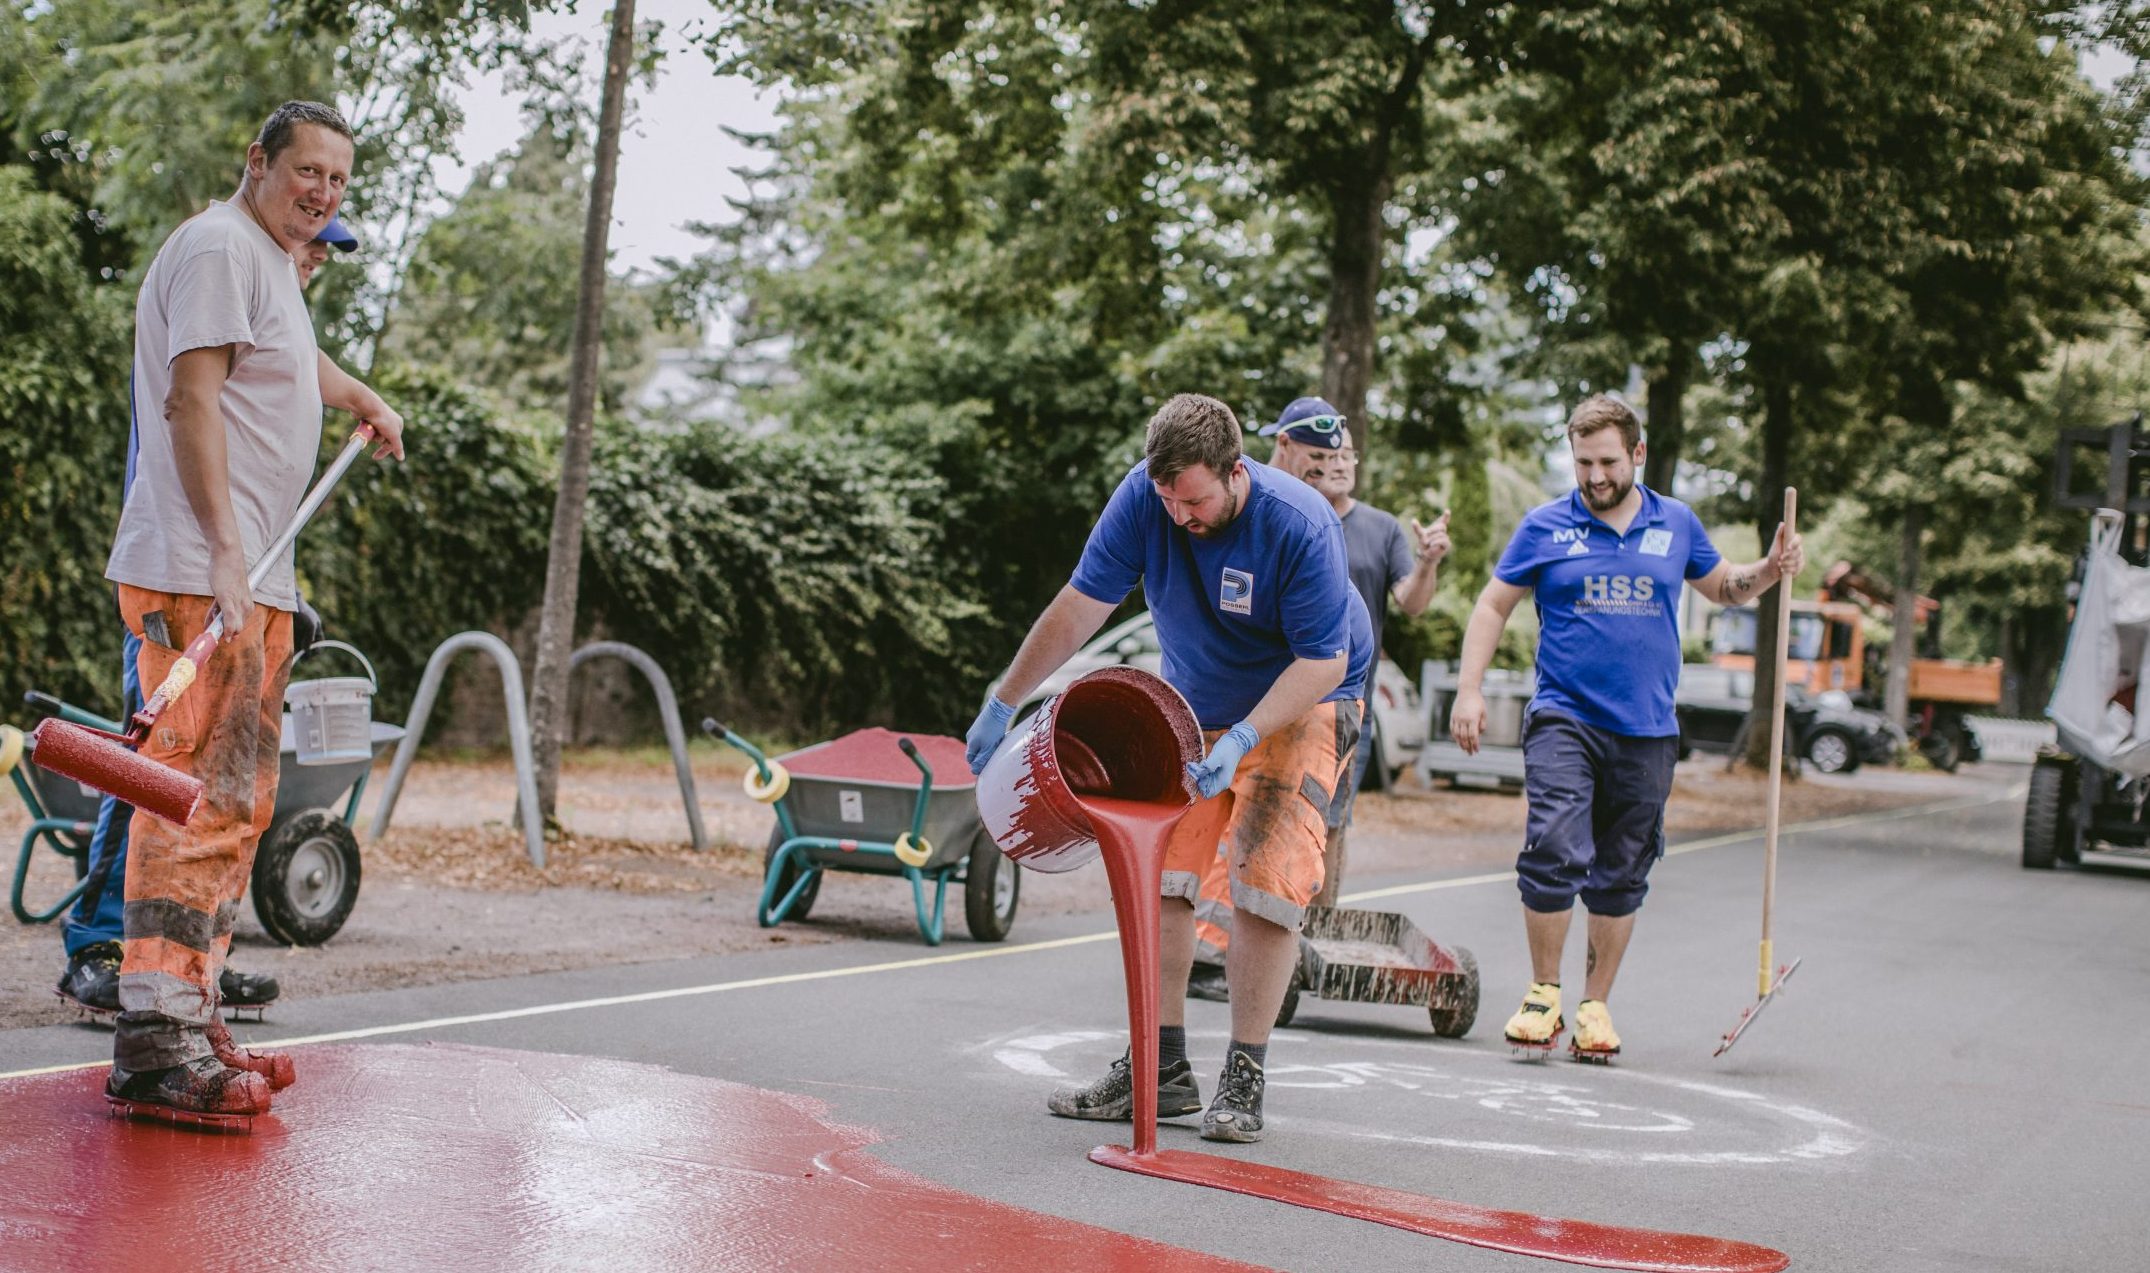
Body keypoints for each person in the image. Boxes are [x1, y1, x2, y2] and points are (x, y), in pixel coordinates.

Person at [100, 101, 405, 1122]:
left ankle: (187, 1004)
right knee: (190, 790)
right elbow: (193, 399)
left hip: (247, 576)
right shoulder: (222, 246)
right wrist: (229, 557)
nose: (322, 193)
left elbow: (284, 368)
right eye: (306, 171)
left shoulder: (270, 263)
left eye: (338, 181)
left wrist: (357, 393)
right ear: (259, 162)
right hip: (203, 569)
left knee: (234, 800)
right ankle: (153, 1038)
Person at [966, 392, 1372, 1143]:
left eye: (1193, 500)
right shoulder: (1147, 497)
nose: (1179, 517)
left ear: (1235, 471)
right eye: (1166, 498)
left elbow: (1325, 659)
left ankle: (1243, 1075)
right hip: (1198, 697)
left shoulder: (1300, 521)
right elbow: (1081, 604)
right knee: (1164, 873)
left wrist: (1246, 735)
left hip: (1305, 694)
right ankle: (1160, 1067)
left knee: (1265, 877)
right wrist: (1005, 697)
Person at [57, 215, 358, 1018]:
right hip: (187, 573)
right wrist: (222, 555)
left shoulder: (275, 313)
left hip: (240, 578)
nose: (321, 256)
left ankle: (191, 970)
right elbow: (189, 415)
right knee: (162, 765)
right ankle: (101, 943)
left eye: (331, 246)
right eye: (316, 241)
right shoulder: (221, 276)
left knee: (212, 785)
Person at [1450, 395, 1801, 1061]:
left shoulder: (1677, 523)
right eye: (1582, 462)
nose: (1594, 475)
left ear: (1638, 454)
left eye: (1608, 460)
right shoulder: (1546, 526)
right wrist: (1469, 689)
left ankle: (1594, 1006)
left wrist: (1770, 570)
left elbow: (1726, 586)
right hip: (1565, 716)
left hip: (1647, 727)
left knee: (1621, 871)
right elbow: (1494, 603)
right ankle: (1543, 993)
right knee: (1554, 846)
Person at [1183, 399, 1450, 1001]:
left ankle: (1299, 950)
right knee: (1238, 825)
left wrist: (1429, 561)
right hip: (1257, 699)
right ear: (1284, 449)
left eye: (1342, 456)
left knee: (1326, 827)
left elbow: (1410, 601)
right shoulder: (1262, 513)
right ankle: (1215, 950)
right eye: (1320, 456)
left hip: (1337, 702)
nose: (1333, 466)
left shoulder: (1377, 528)